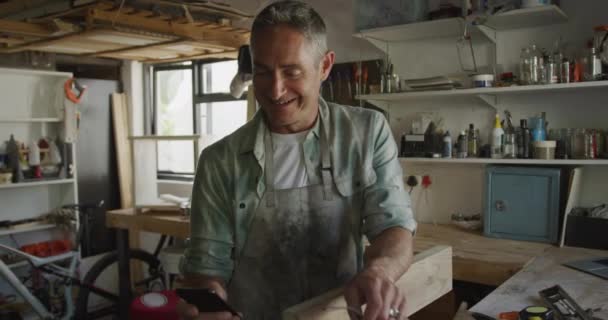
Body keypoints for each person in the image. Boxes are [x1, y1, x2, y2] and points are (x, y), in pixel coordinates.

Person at [177, 1, 416, 319]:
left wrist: (381, 271)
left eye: (291, 72)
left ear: (325, 66)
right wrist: (206, 300)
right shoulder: (219, 161)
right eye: (262, 71)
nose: (275, 90)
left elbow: (393, 226)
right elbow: (206, 267)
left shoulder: (367, 133)